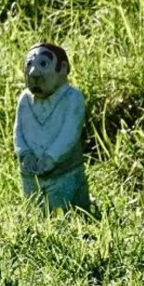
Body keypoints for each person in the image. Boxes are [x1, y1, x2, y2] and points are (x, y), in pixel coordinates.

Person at [14, 42, 90, 212]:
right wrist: (24, 153)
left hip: (64, 172)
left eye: (43, 64)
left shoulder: (73, 98)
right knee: (34, 211)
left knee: (66, 212)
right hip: (31, 173)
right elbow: (19, 131)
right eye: (29, 64)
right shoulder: (24, 99)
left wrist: (51, 157)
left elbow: (69, 133)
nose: (33, 72)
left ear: (62, 69)